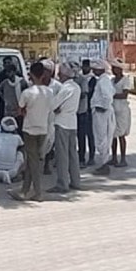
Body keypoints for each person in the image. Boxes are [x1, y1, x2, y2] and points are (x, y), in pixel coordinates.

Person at [8, 62, 53, 202]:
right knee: (33, 160)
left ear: (31, 75)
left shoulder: (27, 93)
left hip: (29, 128)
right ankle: (24, 190)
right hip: (43, 127)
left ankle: (38, 191)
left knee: (33, 161)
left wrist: (24, 112)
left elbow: (20, 110)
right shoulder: (49, 92)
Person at [47, 63, 82, 193]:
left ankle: (62, 183)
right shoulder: (76, 87)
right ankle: (75, 180)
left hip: (62, 122)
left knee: (62, 154)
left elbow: (53, 105)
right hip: (72, 122)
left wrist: (56, 108)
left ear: (63, 75)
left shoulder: (65, 88)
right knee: (73, 153)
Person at [90, 59, 116, 176]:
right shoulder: (102, 80)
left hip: (102, 113)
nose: (93, 71)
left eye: (95, 69)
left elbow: (108, 96)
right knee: (102, 138)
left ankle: (104, 164)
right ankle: (103, 162)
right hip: (101, 112)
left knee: (102, 138)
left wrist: (103, 107)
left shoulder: (104, 81)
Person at [0, 116, 25, 184]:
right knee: (20, 154)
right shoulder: (17, 137)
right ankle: (15, 175)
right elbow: (22, 149)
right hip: (12, 172)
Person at [111, 59, 132, 168]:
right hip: (113, 110)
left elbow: (124, 95)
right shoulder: (112, 80)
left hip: (122, 110)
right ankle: (114, 157)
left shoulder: (125, 80)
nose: (113, 70)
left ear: (120, 69)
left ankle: (123, 158)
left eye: (115, 68)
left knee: (121, 135)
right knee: (112, 135)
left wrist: (112, 95)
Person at [76, 59, 96, 167]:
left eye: (86, 66)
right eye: (83, 66)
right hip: (80, 109)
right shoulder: (78, 78)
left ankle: (92, 156)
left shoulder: (92, 79)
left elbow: (89, 92)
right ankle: (81, 157)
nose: (85, 68)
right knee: (80, 135)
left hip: (89, 109)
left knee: (90, 135)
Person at [0, 64, 28, 131]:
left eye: (9, 72)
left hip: (19, 111)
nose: (8, 74)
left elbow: (27, 94)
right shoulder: (5, 83)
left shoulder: (22, 82)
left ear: (14, 72)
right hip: (8, 112)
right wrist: (3, 98)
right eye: (7, 72)